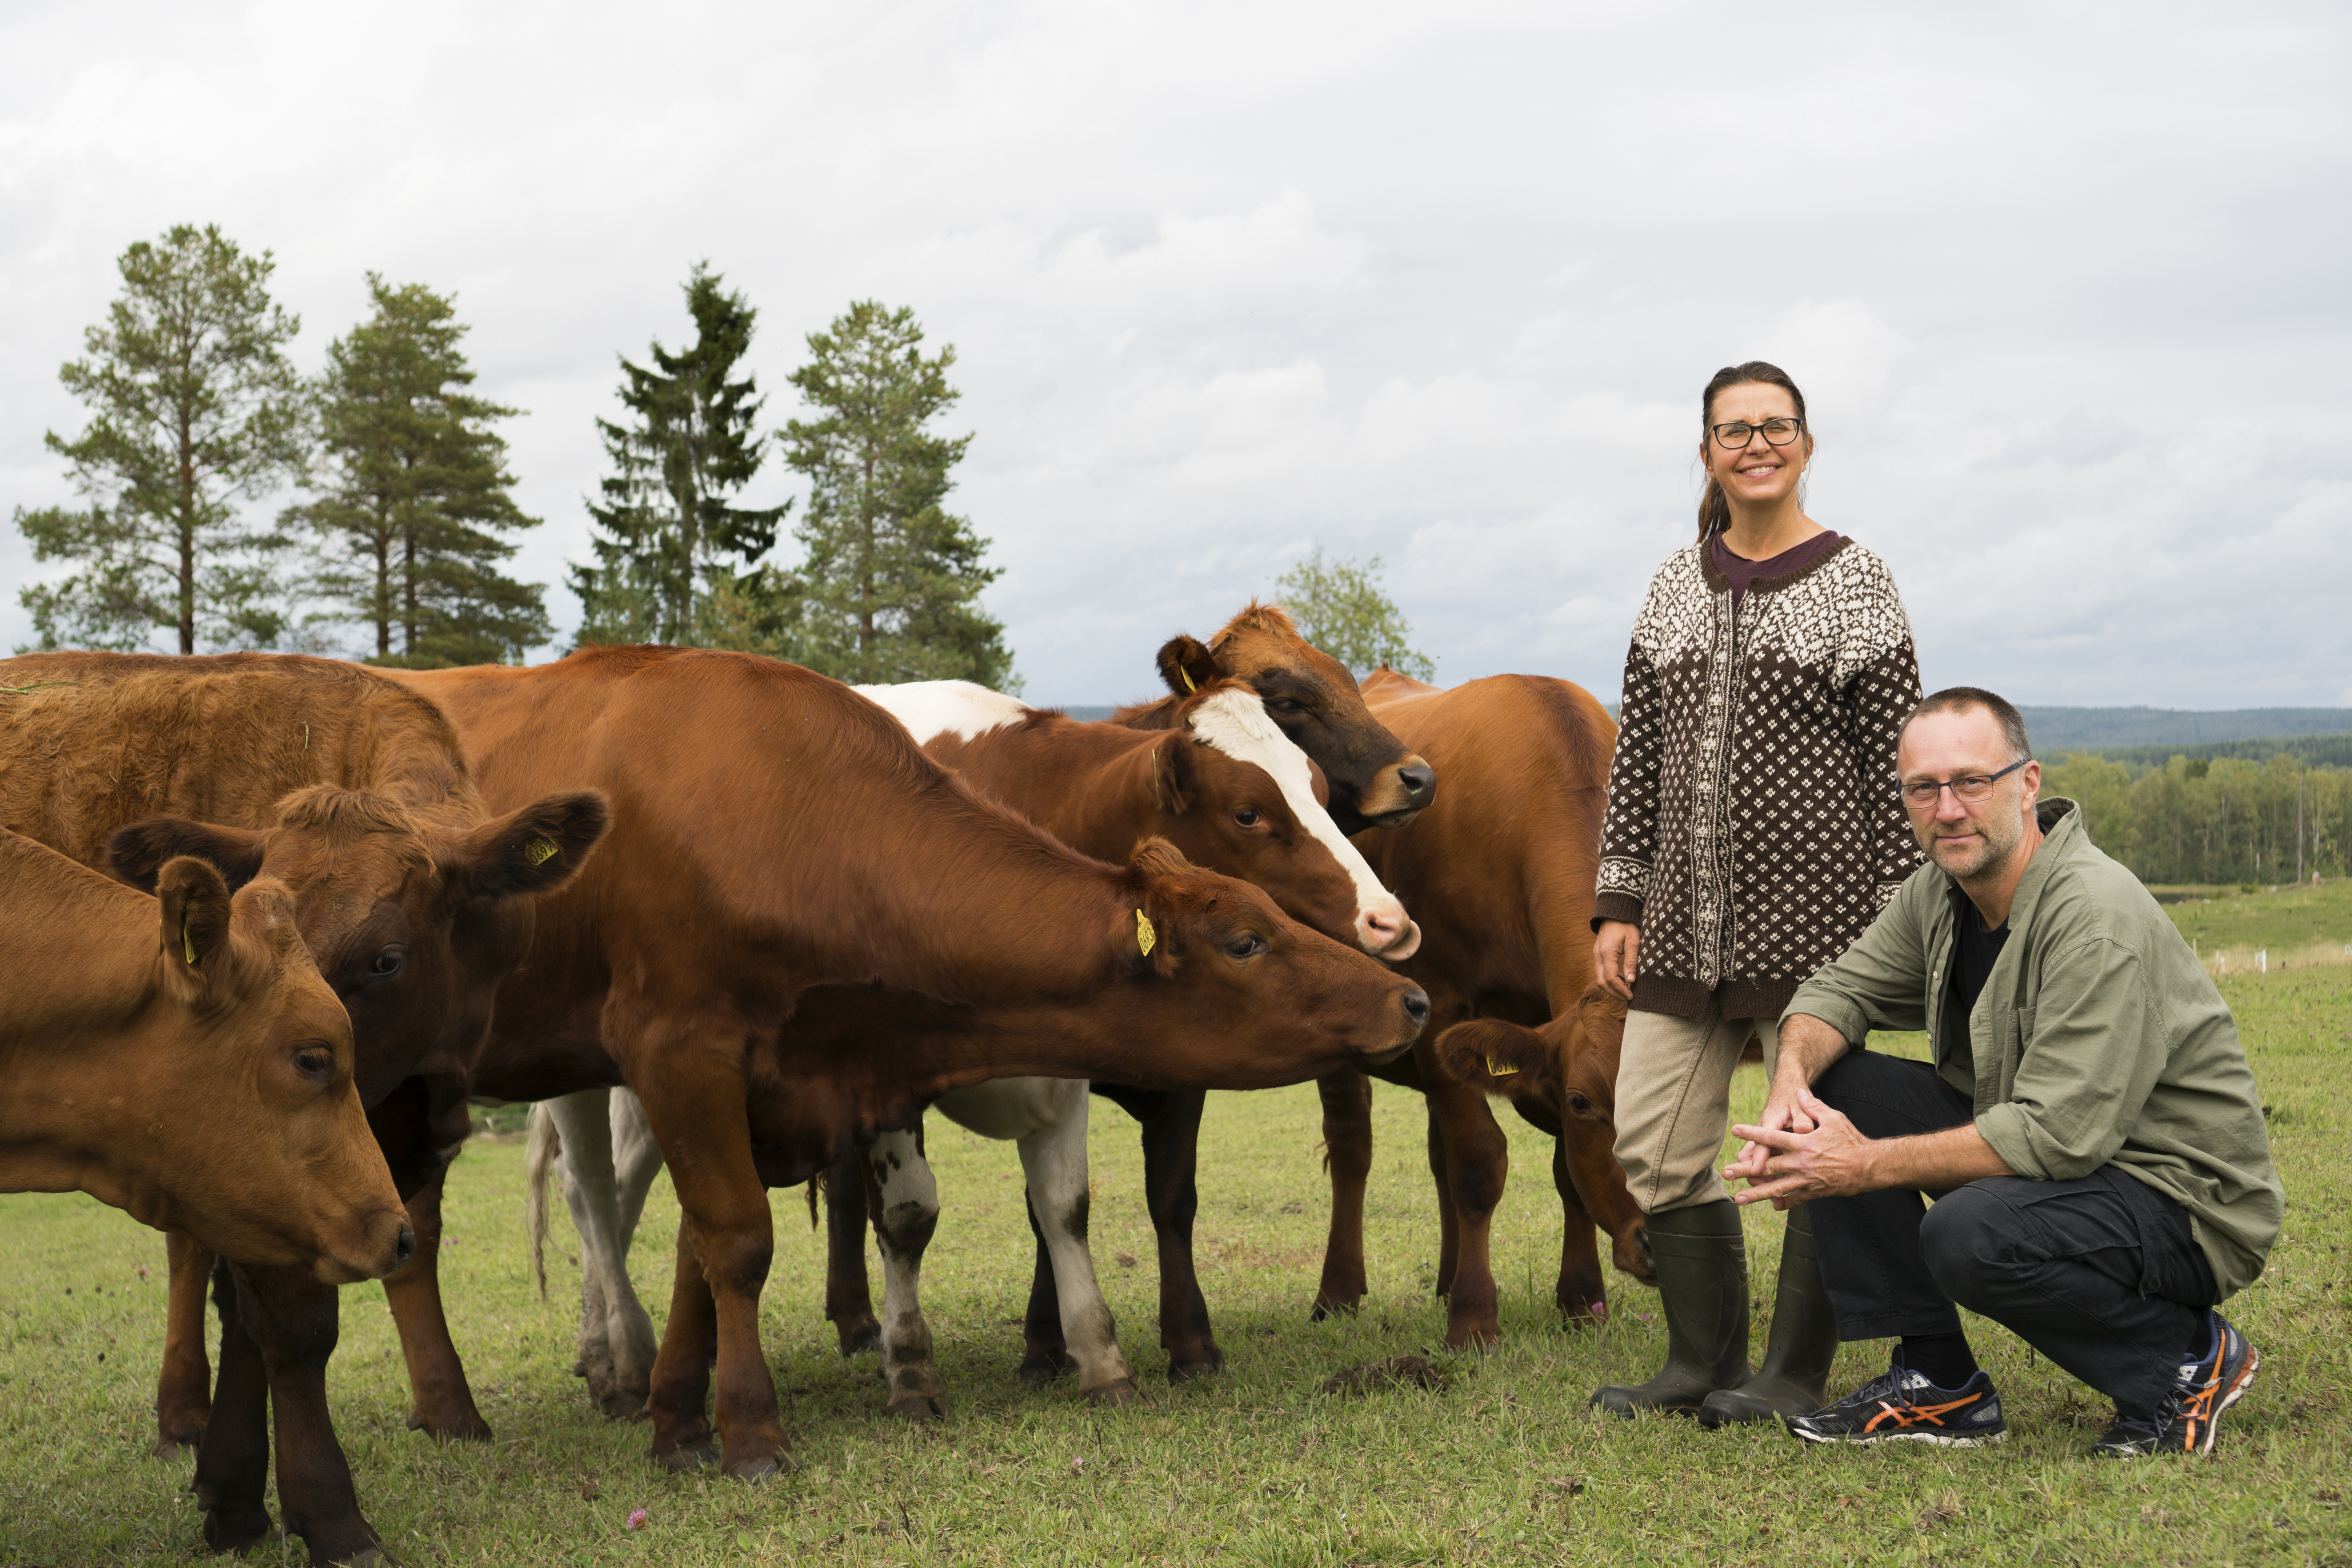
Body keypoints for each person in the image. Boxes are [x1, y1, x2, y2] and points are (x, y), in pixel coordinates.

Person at [1726, 688, 2281, 1455]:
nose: (1947, 807)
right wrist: (1791, 1087)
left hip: (2181, 1198)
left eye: (1971, 781)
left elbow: (2053, 1134)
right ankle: (1939, 1383)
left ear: (2027, 784)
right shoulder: (1941, 893)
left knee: (1970, 1232)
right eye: (1923, 787)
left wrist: (1858, 1164)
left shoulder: (2094, 915)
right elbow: (1835, 991)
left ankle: (2185, 1360)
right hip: (2076, 1165)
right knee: (1838, 1086)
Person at [1590, 361, 1922, 1423]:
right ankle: (1701, 1365)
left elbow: (1895, 761)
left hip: (1829, 930)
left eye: (1775, 426)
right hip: (1681, 929)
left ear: (1807, 445)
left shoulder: (1858, 580)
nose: (1756, 444)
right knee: (1650, 1135)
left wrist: (1897, 918)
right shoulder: (1672, 583)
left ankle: (1789, 1378)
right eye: (1734, 430)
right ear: (1707, 454)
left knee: (1810, 1149)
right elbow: (1638, 754)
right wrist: (1619, 903)